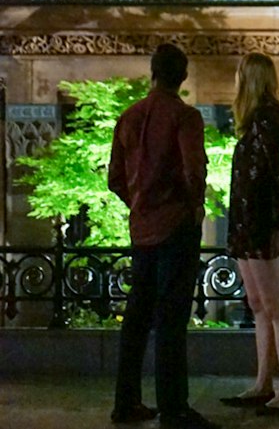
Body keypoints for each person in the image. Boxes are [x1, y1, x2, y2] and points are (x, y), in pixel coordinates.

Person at [108, 42, 216, 429]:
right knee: (171, 321)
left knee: (136, 318)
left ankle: (126, 402)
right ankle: (174, 408)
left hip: (142, 231)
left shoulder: (129, 117)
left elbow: (115, 179)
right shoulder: (185, 117)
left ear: (152, 72)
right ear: (182, 77)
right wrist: (193, 207)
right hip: (175, 228)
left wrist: (139, 204)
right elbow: (193, 172)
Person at [221, 53, 279, 417]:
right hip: (245, 220)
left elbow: (276, 173)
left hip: (260, 222)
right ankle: (263, 382)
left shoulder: (270, 117)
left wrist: (278, 224)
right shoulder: (254, 119)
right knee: (257, 304)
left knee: (275, 307)